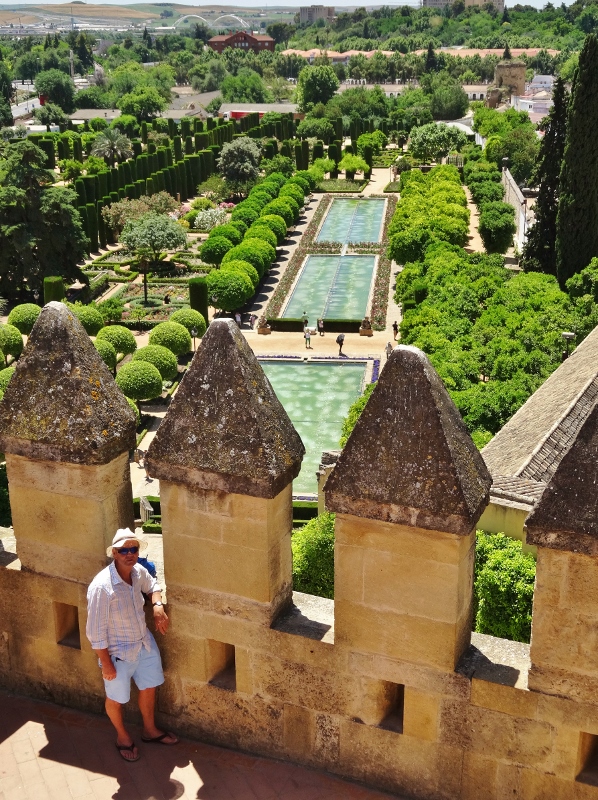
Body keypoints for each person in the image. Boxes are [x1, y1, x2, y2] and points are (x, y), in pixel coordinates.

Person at [86, 529, 179, 762]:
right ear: (114, 554)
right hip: (118, 653)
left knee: (149, 687)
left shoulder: (138, 572)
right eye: (124, 550)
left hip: (143, 643)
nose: (130, 554)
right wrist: (106, 664)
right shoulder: (102, 587)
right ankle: (122, 737)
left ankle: (150, 731)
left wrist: (157, 606)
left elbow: (153, 585)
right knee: (116, 698)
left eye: (134, 549)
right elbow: (95, 632)